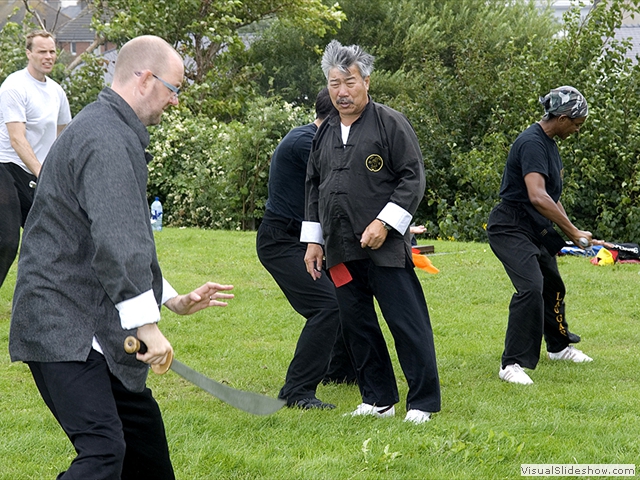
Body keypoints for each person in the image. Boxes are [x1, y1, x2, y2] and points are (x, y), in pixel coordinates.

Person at [9, 35, 234, 479]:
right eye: (174, 88)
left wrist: (169, 298)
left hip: (94, 324)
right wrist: (146, 326)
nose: (175, 101)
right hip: (63, 326)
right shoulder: (106, 138)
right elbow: (116, 238)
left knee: (145, 452)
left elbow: (112, 232)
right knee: (104, 453)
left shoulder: (107, 129)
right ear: (146, 79)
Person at [302, 40, 441, 424]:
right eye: (334, 84)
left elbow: (413, 177)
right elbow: (314, 186)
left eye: (349, 82)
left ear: (366, 81)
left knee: (406, 324)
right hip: (340, 250)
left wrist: (385, 223)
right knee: (357, 325)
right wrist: (314, 240)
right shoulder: (324, 131)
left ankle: (422, 403)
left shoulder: (389, 122)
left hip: (385, 249)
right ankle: (377, 399)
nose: (341, 92)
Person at [256, 87, 356, 410]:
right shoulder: (307, 143)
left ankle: (339, 371)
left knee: (347, 292)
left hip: (309, 241)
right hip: (282, 242)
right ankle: (297, 391)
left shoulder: (317, 140)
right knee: (327, 306)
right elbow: (341, 190)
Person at [486, 86, 594, 386]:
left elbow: (551, 196)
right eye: (575, 123)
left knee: (552, 285)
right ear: (560, 118)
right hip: (510, 226)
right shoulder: (532, 143)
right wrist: (571, 231)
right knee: (531, 288)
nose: (576, 129)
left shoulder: (550, 143)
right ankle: (512, 364)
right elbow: (537, 196)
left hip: (535, 226)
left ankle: (558, 348)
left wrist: (572, 232)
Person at [0, 30, 72, 290]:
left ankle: (44, 297)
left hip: (36, 174)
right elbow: (17, 139)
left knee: (55, 240)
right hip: (6, 170)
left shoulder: (56, 92)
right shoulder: (14, 86)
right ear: (28, 53)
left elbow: (63, 135)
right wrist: (43, 173)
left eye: (52, 51)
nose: (48, 56)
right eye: (42, 51)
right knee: (6, 242)